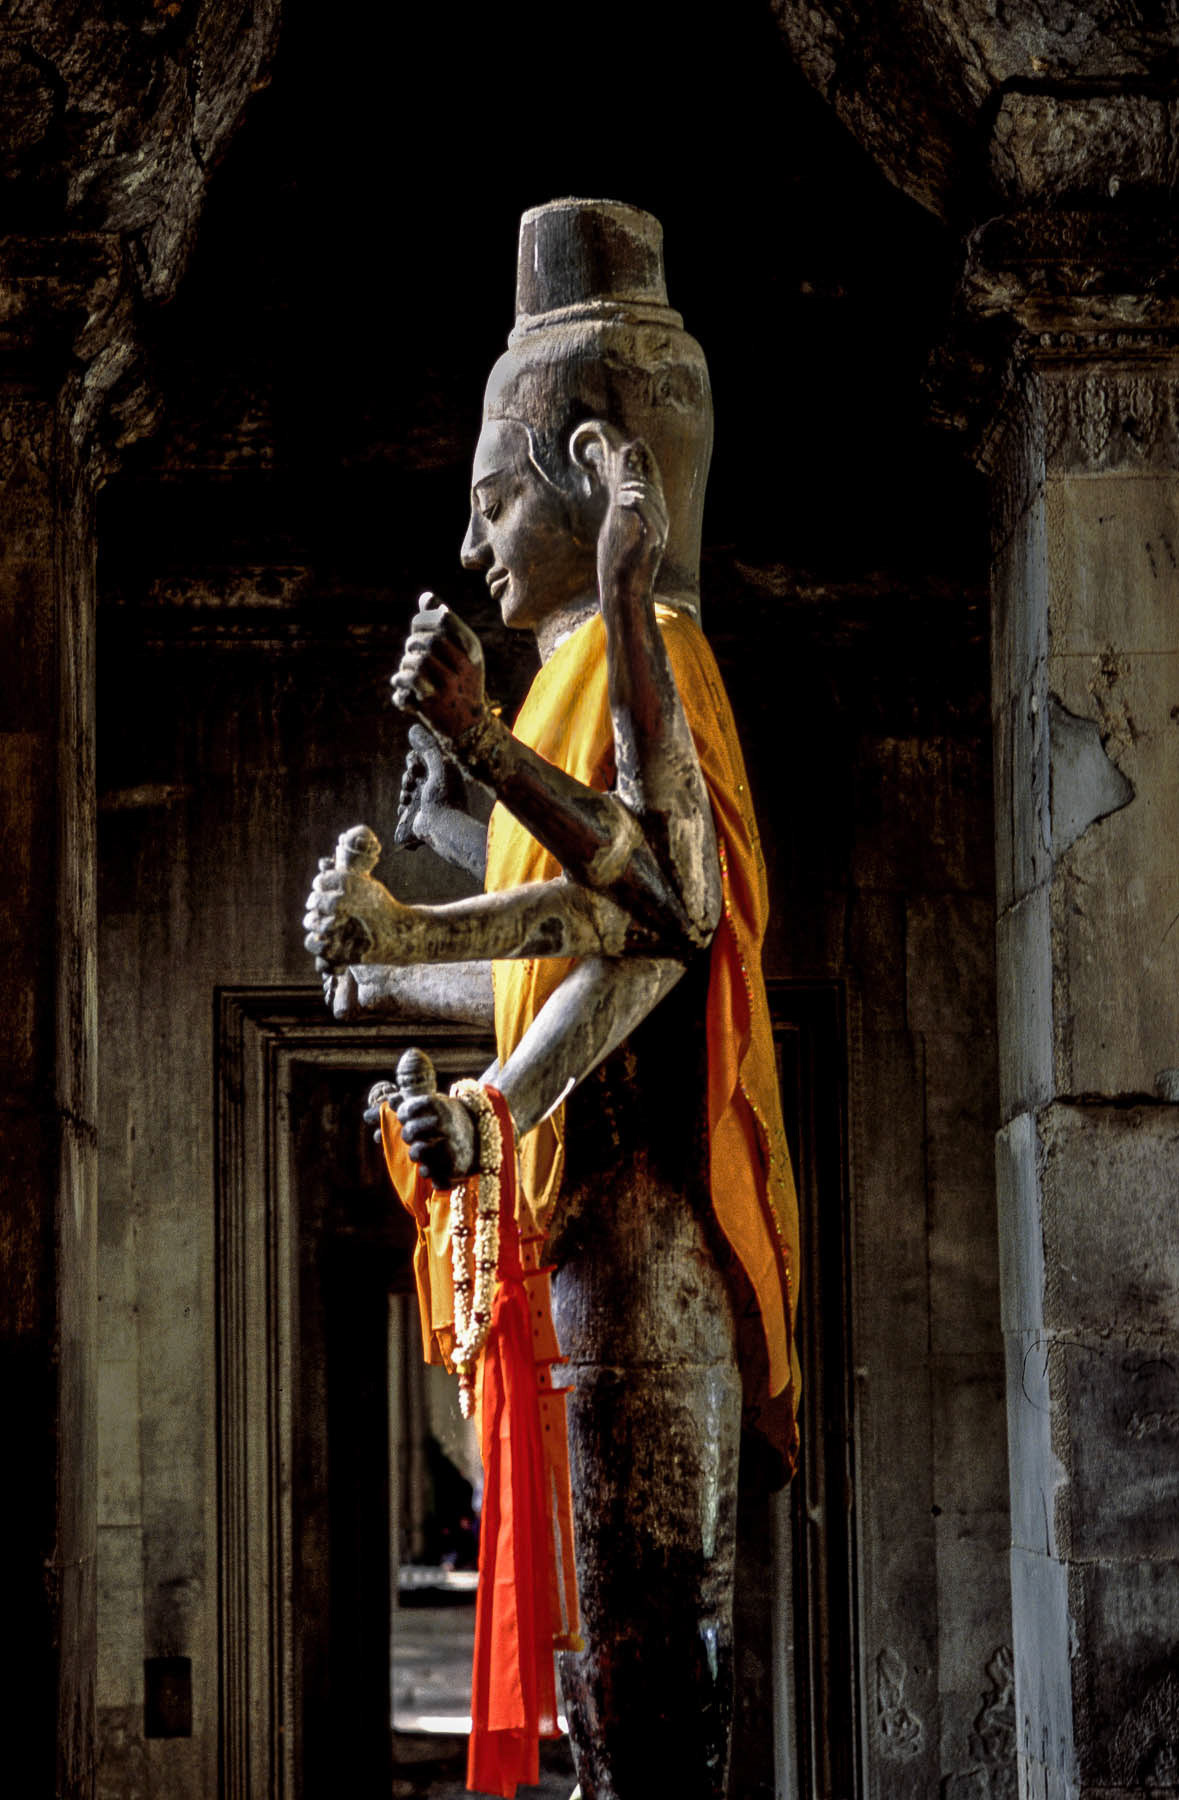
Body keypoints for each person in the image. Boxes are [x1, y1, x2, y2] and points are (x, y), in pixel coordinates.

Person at [303, 199, 798, 1799]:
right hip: (586, 1240)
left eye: (496, 503)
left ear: (595, 476)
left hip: (647, 1245)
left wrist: (489, 748)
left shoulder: (657, 651)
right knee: (607, 1691)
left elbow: (668, 912)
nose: (476, 549)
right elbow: (566, 955)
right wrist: (387, 952)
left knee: (652, 1690)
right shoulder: (582, 668)